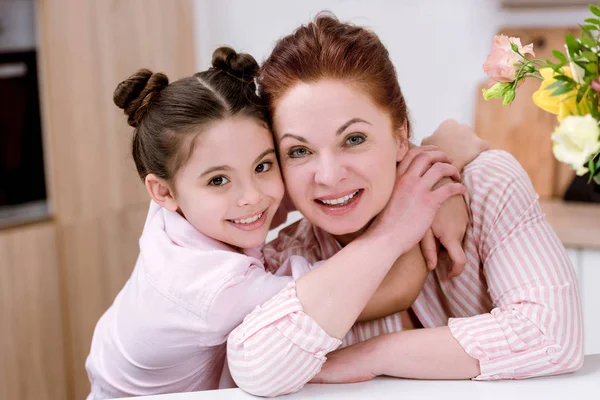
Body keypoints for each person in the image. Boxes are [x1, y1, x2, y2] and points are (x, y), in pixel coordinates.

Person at [84, 45, 477, 399]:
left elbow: (321, 186)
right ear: (163, 192)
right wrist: (431, 184)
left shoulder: (194, 200)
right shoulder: (213, 289)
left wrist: (424, 155)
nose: (252, 196)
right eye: (218, 180)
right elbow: (390, 289)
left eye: (263, 165)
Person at [227, 14, 583, 397]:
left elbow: (552, 335)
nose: (328, 176)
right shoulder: (283, 258)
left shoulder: (484, 186)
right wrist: (392, 232)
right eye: (299, 151)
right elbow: (255, 369)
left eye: (353, 139)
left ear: (401, 136)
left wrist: (371, 357)